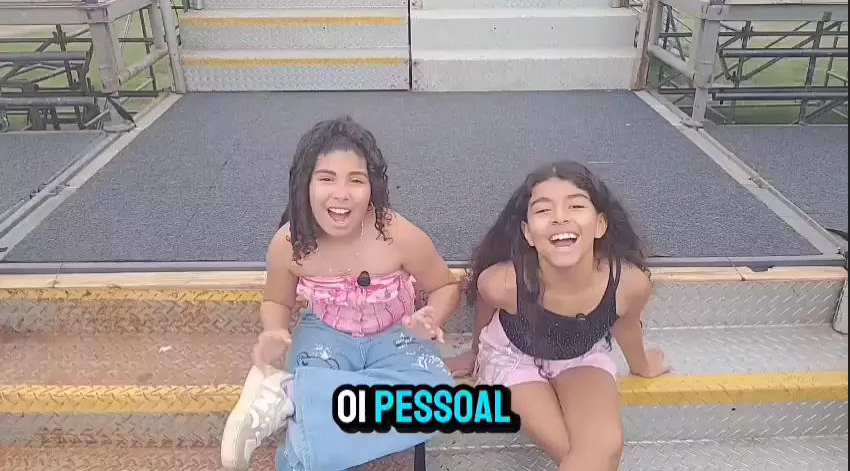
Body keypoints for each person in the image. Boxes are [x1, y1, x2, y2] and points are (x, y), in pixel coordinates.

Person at [220, 116, 461, 471]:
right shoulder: (289, 243)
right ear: (305, 184)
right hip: (325, 335)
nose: (342, 194)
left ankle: (296, 397)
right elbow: (276, 300)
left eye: (356, 180)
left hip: (397, 333)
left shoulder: (397, 234)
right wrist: (274, 330)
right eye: (327, 178)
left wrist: (433, 316)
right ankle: (305, 401)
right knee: (327, 400)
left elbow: (445, 285)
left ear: (372, 187)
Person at [447, 160, 669, 471]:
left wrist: (642, 365)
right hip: (514, 358)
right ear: (528, 233)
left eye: (576, 206)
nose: (560, 218)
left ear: (600, 225)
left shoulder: (627, 283)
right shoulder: (503, 283)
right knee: (577, 454)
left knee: (606, 445)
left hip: (581, 355)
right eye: (543, 210)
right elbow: (485, 306)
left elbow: (626, 325)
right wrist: (476, 352)